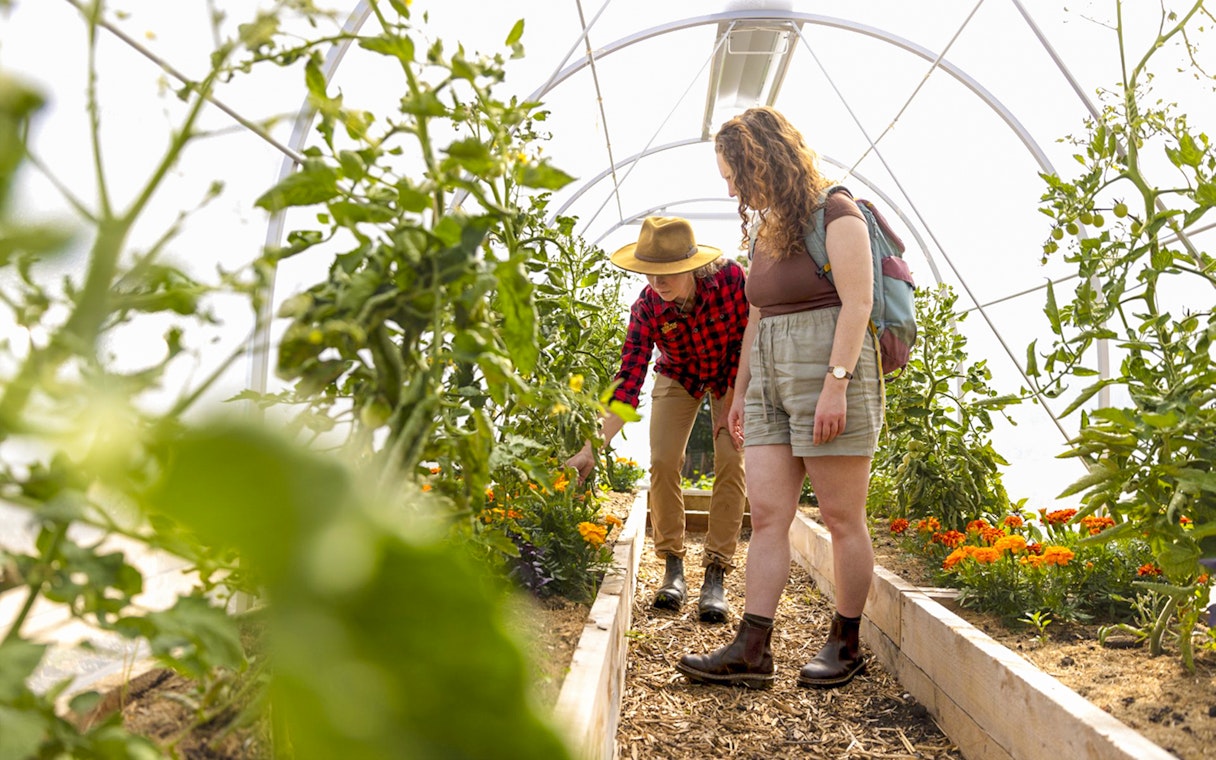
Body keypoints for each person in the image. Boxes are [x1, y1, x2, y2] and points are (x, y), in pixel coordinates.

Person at [676, 106, 883, 688]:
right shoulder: (764, 228)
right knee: (766, 515)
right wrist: (742, 392)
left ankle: (846, 642)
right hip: (768, 374)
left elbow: (858, 303)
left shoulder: (836, 211)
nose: (731, 186)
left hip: (827, 369)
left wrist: (835, 385)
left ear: (762, 159)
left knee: (842, 517)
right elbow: (757, 315)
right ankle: (753, 646)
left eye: (733, 172)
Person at [566, 216, 749, 623]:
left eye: (667, 272)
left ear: (692, 265)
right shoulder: (647, 307)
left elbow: (745, 342)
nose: (657, 280)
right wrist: (592, 447)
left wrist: (733, 400)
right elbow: (628, 379)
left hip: (730, 377)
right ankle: (673, 567)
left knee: (732, 458)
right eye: (649, 271)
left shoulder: (732, 280)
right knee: (664, 460)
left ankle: (716, 572)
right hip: (678, 374)